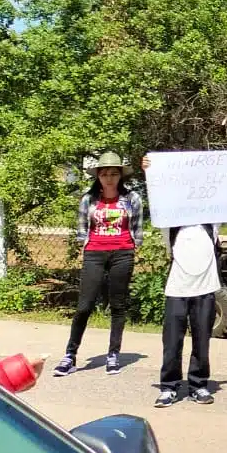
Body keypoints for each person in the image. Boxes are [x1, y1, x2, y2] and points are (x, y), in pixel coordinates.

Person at [54, 151, 146, 378]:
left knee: (118, 305)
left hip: (122, 252)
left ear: (120, 176)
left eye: (114, 173)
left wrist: (134, 247)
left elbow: (137, 227)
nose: (109, 178)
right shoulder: (89, 199)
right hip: (95, 252)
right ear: (98, 176)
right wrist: (85, 247)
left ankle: (113, 354)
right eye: (104, 174)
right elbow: (82, 229)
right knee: (84, 305)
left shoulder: (132, 198)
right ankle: (70, 355)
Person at [144, 158, 219, 408]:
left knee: (202, 339)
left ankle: (198, 384)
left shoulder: (213, 219)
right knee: (172, 340)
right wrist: (149, 170)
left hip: (206, 286)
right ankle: (169, 386)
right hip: (177, 287)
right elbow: (156, 194)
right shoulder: (170, 220)